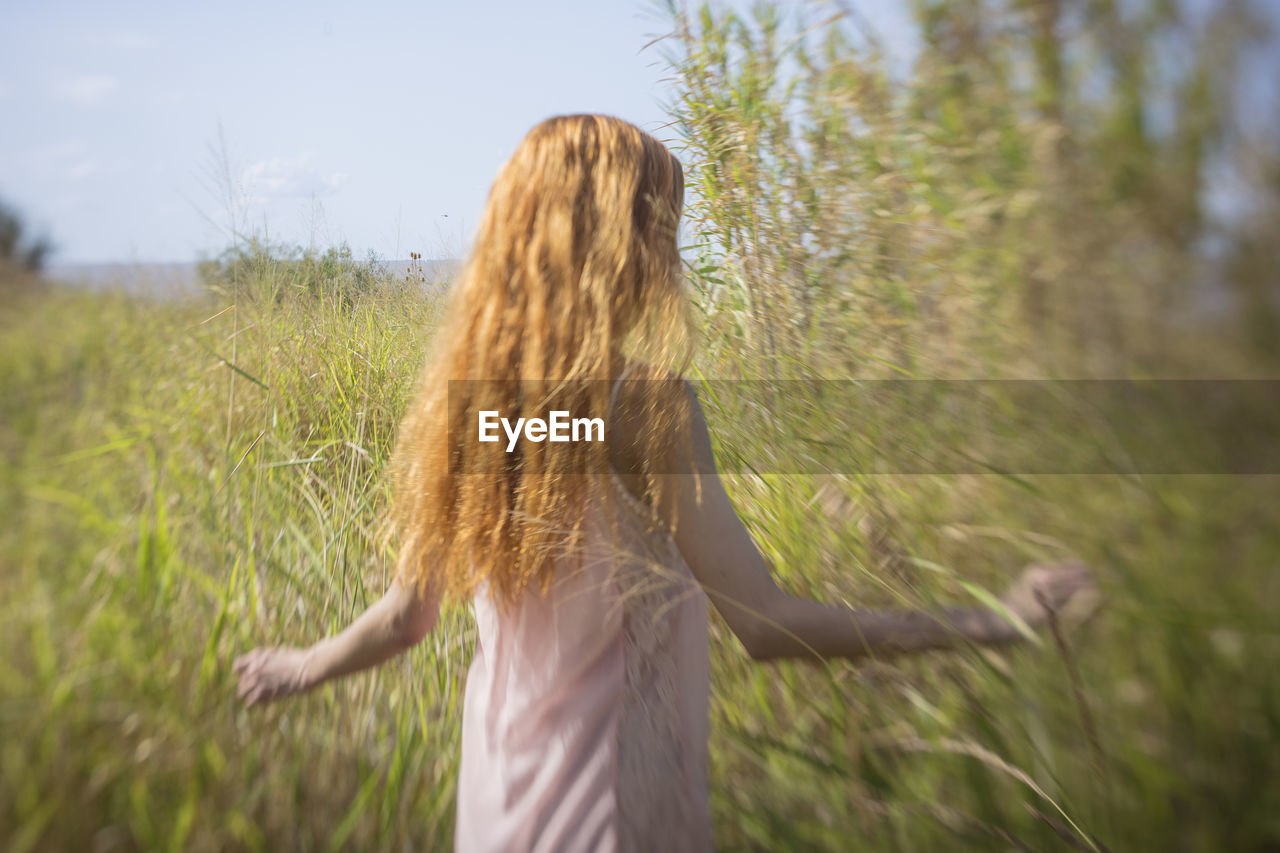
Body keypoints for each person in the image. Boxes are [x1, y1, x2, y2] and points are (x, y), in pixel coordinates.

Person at [233, 114, 1095, 852]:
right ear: (614, 242)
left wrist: (301, 665)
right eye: (661, 224)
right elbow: (769, 625)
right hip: (614, 813)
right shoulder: (641, 407)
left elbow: (405, 616)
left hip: (498, 810)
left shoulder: (474, 416)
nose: (670, 251)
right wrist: (998, 621)